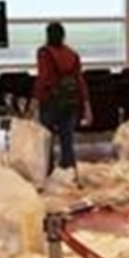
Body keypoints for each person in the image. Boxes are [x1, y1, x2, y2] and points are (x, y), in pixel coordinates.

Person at [34, 22, 91, 174]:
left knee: (46, 141)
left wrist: (35, 100)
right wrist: (86, 104)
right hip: (70, 102)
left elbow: (43, 78)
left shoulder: (44, 53)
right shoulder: (72, 54)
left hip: (50, 102)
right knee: (67, 142)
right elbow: (80, 80)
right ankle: (69, 174)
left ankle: (47, 172)